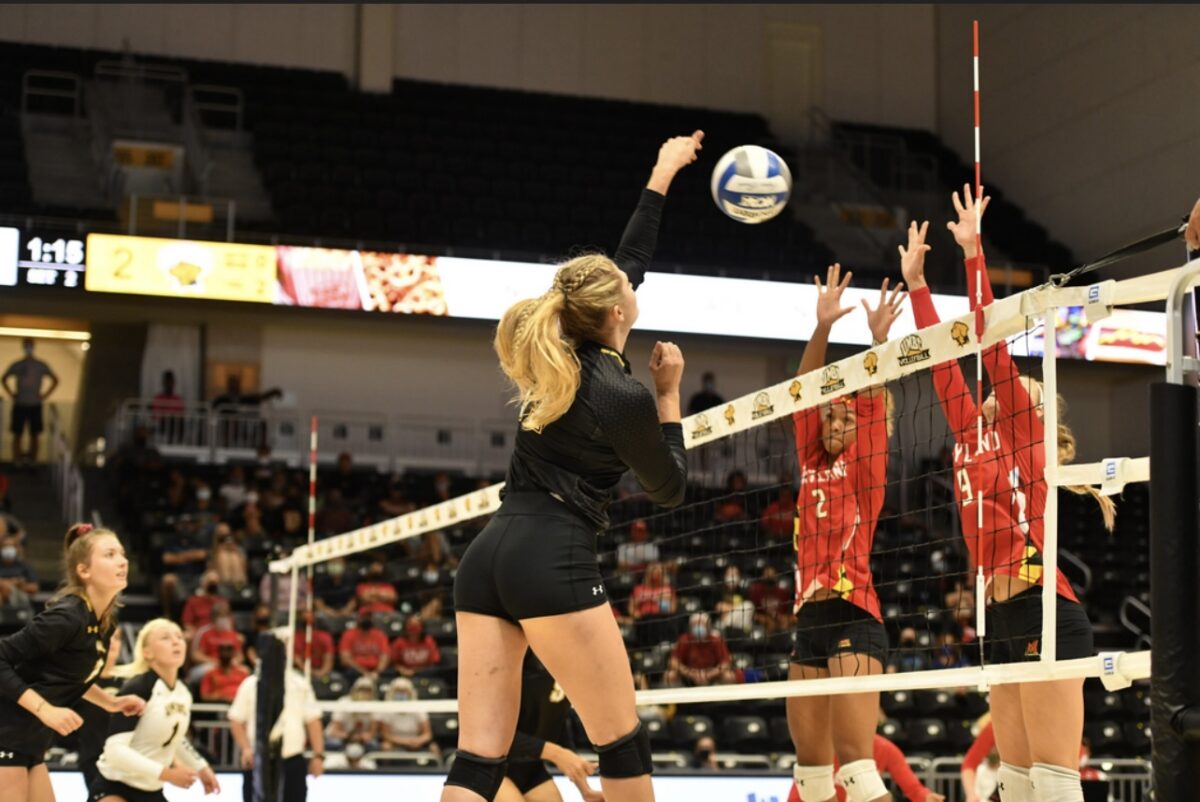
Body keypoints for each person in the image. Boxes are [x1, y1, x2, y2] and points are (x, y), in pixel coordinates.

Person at [444, 131, 702, 802]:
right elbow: (670, 487)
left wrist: (662, 170)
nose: (631, 280)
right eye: (625, 287)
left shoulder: (554, 357)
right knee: (622, 741)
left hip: (489, 556)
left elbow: (629, 259)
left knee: (479, 757)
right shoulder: (622, 394)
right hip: (551, 558)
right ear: (617, 312)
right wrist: (670, 395)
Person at [900, 188, 1116, 802]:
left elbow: (990, 345)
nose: (1003, 390)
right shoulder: (972, 435)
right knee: (1016, 787)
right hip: (997, 618)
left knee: (1050, 785)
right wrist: (916, 284)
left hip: (1046, 611)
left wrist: (973, 254)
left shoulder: (1024, 432)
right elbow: (946, 363)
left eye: (1019, 389)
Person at [789, 263, 905, 802]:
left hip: (854, 615)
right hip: (807, 618)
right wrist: (823, 327)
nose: (836, 424)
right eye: (832, 418)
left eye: (846, 420)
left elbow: (872, 402)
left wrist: (878, 341)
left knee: (856, 775)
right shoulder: (811, 458)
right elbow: (805, 391)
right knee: (811, 778)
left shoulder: (866, 464)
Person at [0, 524, 146, 801]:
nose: (123, 561)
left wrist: (111, 703)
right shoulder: (66, 617)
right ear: (84, 571)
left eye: (123, 553)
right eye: (110, 554)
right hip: (6, 732)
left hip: (30, 740)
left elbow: (68, 675)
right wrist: (46, 710)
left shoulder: (102, 623)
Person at [92, 619, 220, 802]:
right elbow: (115, 751)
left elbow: (175, 738)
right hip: (115, 785)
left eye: (179, 636)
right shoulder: (138, 688)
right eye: (165, 638)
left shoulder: (183, 692)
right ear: (147, 652)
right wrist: (167, 774)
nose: (176, 641)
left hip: (151, 789)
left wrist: (201, 767)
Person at [497, 653, 602, 802]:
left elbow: (557, 727)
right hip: (492, 768)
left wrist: (585, 790)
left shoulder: (567, 672)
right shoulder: (519, 664)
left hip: (531, 769)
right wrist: (557, 754)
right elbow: (495, 739)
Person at [227, 657, 325, 802]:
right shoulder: (250, 684)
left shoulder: (299, 684)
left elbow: (313, 721)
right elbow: (236, 719)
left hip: (291, 759)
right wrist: (246, 748)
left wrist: (318, 756)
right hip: (258, 759)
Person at [786, 733, 945, 802]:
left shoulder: (885, 748)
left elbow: (913, 787)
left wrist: (925, 796)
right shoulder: (825, 746)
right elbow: (800, 790)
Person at [2, 338, 58, 467]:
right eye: (27, 345)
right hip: (20, 404)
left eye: (30, 345)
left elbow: (55, 379)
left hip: (35, 405)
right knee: (17, 433)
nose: (28, 347)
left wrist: (44, 395)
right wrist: (11, 393)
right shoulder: (17, 365)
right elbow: (4, 378)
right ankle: (17, 460)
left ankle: (32, 460)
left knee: (35, 434)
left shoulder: (40, 365)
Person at [663, 612, 737, 687]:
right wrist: (690, 673)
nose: (699, 627)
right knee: (669, 676)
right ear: (690, 627)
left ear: (708, 627)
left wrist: (708, 675)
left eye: (702, 624)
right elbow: (673, 662)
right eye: (695, 624)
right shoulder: (684, 639)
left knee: (729, 676)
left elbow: (726, 663)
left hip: (712, 675)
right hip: (688, 676)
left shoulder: (716, 640)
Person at [378, 677, 436, 755]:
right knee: (385, 746)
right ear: (392, 693)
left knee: (434, 748)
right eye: (398, 691)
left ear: (410, 693)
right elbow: (386, 735)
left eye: (404, 691)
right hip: (395, 744)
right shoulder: (387, 710)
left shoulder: (418, 709)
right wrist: (405, 742)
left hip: (416, 743)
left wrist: (418, 741)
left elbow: (427, 734)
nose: (401, 694)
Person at [338, 610, 390, 683]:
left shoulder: (380, 635)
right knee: (349, 673)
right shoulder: (349, 634)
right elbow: (345, 660)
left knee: (390, 673)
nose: (366, 619)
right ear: (358, 618)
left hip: (375, 670)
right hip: (356, 671)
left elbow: (384, 657)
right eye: (364, 617)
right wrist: (364, 672)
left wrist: (377, 672)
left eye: (368, 617)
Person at [0, 533, 37, 614]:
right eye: (5, 546)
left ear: (16, 548)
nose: (8, 549)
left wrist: (18, 585)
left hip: (19, 595)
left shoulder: (24, 566)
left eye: (11, 546)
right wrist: (8, 583)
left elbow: (34, 588)